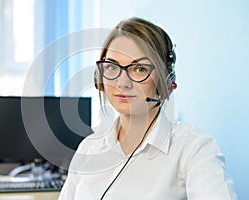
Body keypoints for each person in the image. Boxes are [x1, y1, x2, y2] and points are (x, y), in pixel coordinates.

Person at [58, 17, 237, 200]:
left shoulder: (193, 148)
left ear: (165, 82)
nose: (122, 83)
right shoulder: (89, 148)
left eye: (139, 69)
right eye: (112, 67)